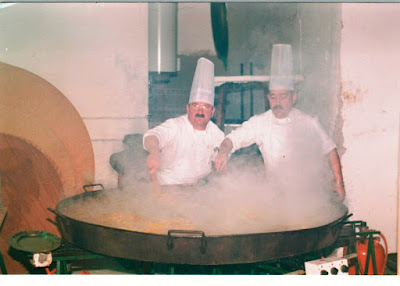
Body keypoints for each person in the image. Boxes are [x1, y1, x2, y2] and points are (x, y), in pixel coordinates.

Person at [214, 44, 346, 202]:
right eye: (273, 97)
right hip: (275, 192)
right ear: (268, 98)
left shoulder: (308, 122)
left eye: (283, 96)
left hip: (306, 192)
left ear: (293, 98)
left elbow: (330, 150)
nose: (277, 102)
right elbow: (231, 140)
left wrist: (339, 182)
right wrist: (223, 152)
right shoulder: (260, 122)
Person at [143, 57, 225, 186]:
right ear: (188, 108)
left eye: (205, 107)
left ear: (212, 111)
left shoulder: (217, 134)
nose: (200, 111)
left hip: (199, 188)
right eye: (195, 106)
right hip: (167, 187)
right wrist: (154, 153)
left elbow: (221, 163)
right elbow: (152, 136)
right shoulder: (175, 126)